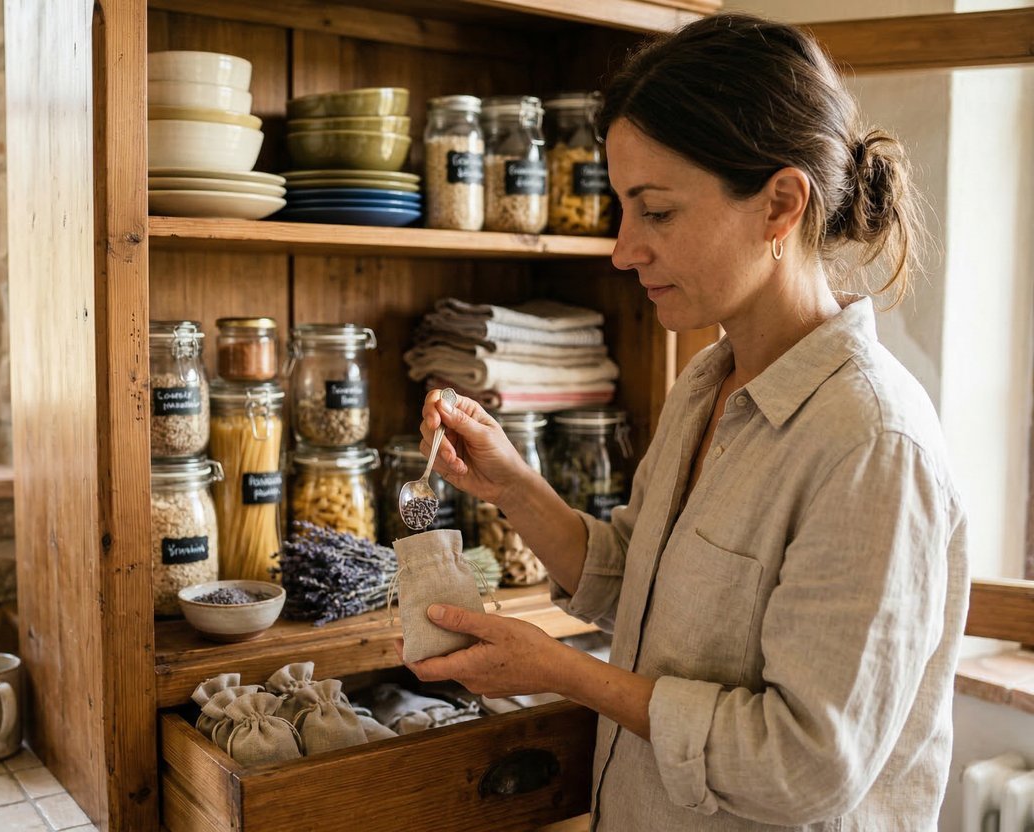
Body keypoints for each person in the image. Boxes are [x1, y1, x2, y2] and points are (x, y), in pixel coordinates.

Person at [401, 12, 968, 831]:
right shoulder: (710, 380)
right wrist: (515, 487)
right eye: (622, 208)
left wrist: (566, 673)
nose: (623, 249)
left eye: (656, 211)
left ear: (779, 204)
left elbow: (805, 765)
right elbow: (645, 583)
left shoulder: (871, 445)